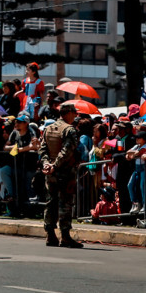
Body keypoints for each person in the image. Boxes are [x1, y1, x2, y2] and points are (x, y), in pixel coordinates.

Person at [40, 101, 84, 248]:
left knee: (50, 202)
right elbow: (67, 150)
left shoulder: (49, 128)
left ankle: (50, 235)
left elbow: (43, 149)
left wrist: (47, 164)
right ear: (68, 113)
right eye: (74, 112)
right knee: (65, 203)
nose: (76, 115)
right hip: (64, 171)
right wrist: (55, 165)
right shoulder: (69, 130)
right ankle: (65, 236)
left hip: (51, 172)